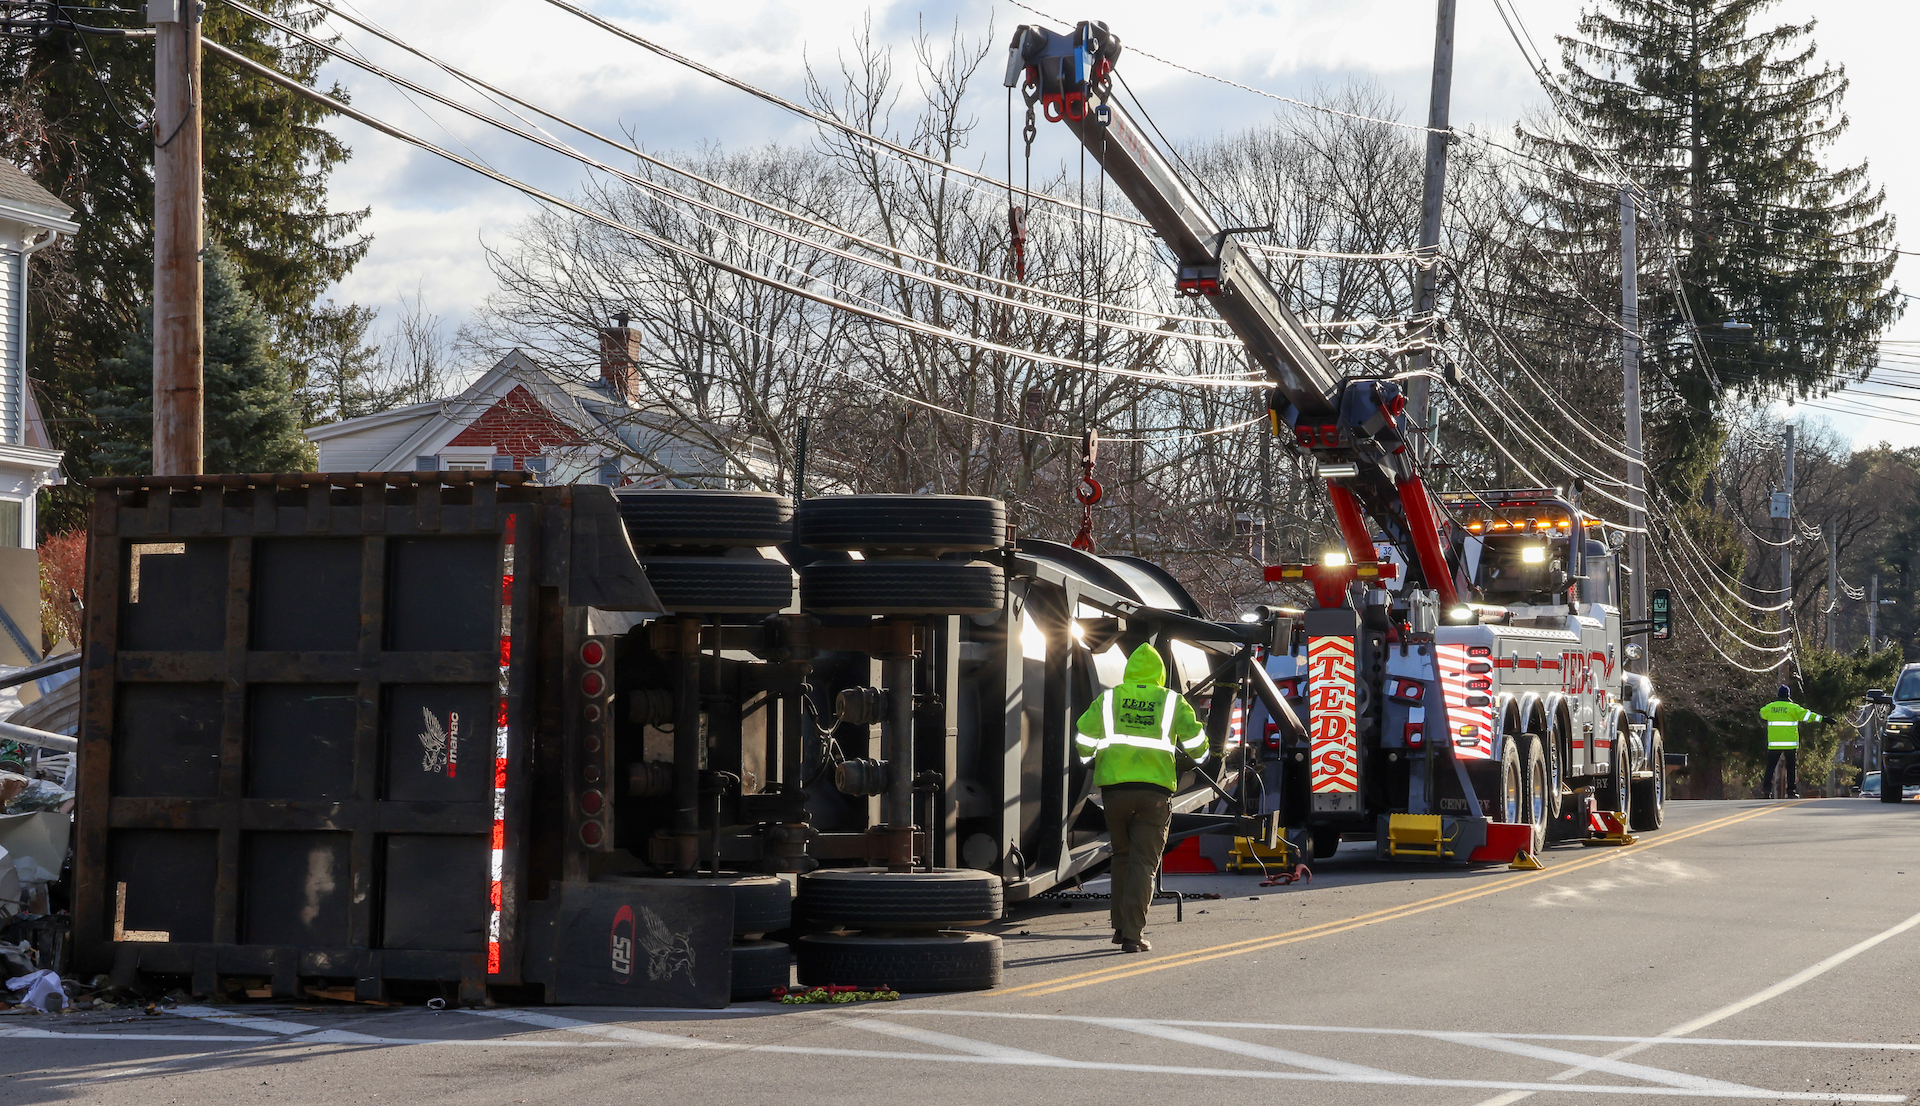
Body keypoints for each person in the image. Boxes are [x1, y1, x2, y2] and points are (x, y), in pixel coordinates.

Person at [1074, 642, 1208, 953]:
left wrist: (1090, 760)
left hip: (1115, 792)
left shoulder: (1110, 699)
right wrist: (1199, 759)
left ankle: (1120, 928)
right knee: (1144, 862)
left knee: (1121, 857)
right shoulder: (1171, 701)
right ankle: (1134, 935)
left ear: (1129, 670)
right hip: (1155, 793)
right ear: (1160, 673)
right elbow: (1197, 743)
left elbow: (1083, 737)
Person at [1759, 684, 1822, 799]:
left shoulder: (1770, 707)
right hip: (1790, 743)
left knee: (1770, 767)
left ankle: (1766, 790)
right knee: (1791, 768)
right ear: (1788, 695)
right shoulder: (1793, 708)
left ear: (1778, 695)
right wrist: (1823, 718)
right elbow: (1808, 715)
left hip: (1774, 743)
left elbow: (1762, 713)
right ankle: (1791, 792)